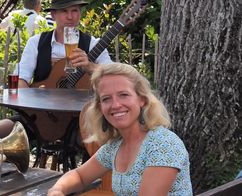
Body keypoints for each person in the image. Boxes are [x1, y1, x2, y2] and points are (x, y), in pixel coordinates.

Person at [0, 0, 114, 138]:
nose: (71, 17)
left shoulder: (92, 44)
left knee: (97, 138)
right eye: (65, 11)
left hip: (79, 118)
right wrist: (34, 100)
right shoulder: (36, 42)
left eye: (75, 11)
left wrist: (90, 66)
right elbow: (21, 79)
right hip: (40, 116)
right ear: (53, 14)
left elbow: (113, 75)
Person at [47, 63, 192, 195]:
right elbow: (79, 175)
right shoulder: (115, 146)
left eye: (124, 95)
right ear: (100, 107)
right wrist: (57, 190)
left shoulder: (163, 144)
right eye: (106, 99)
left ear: (142, 100)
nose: (115, 105)